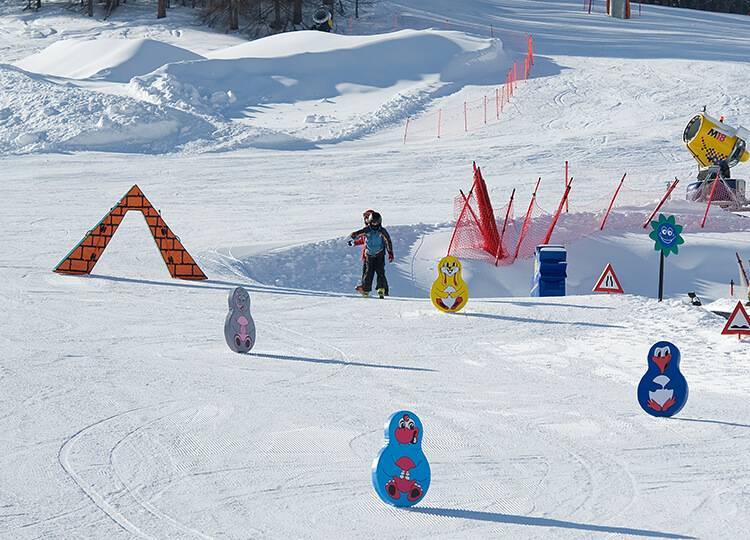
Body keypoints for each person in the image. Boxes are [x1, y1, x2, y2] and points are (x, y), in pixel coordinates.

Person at [348, 211, 393, 298]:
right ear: (370, 222)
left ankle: (381, 289)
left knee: (380, 272)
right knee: (368, 273)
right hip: (369, 255)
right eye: (373, 222)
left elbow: (388, 241)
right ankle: (366, 290)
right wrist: (354, 235)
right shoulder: (367, 230)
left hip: (379, 254)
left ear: (380, 222)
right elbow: (360, 234)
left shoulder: (382, 231)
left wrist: (390, 252)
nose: (375, 224)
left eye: (376, 222)